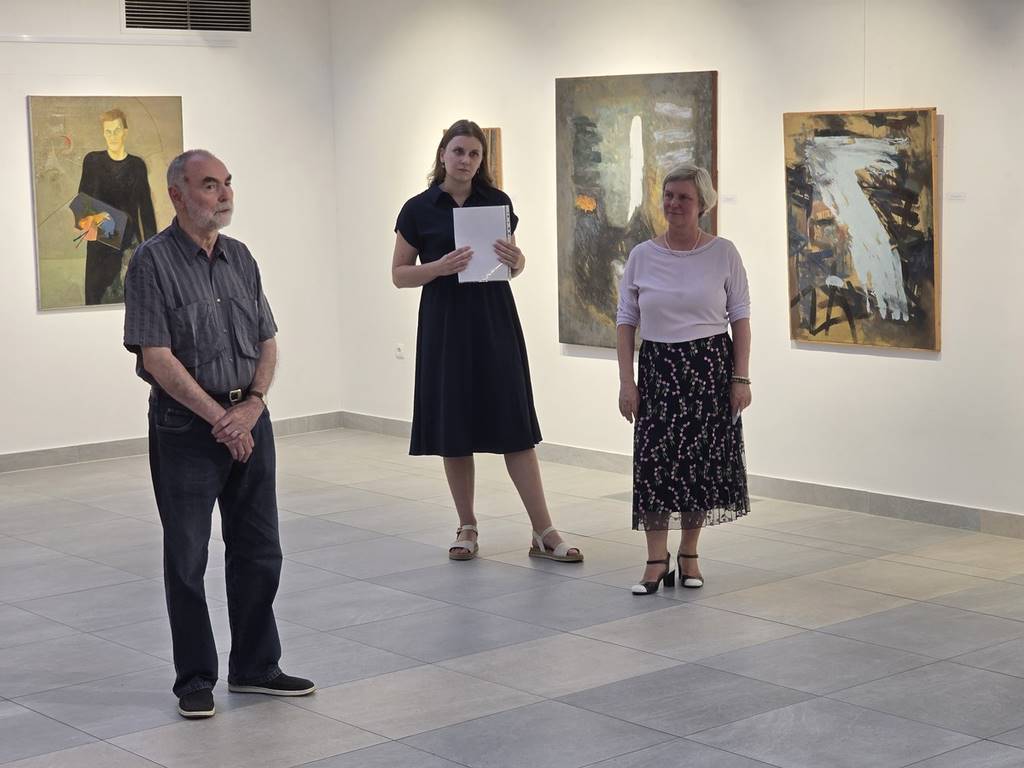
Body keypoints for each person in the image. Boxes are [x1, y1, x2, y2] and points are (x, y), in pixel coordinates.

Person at [123, 149, 314, 719]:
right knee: (187, 556)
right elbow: (156, 357)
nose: (224, 194)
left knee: (260, 549)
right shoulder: (151, 262)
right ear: (177, 195)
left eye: (227, 183)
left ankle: (255, 666)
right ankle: (195, 678)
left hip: (249, 419)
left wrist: (252, 405)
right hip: (186, 427)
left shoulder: (241, 257)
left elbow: (267, 339)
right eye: (210, 184)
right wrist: (219, 418)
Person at [392, 119, 582, 564]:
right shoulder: (418, 209)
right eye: (458, 151)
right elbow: (399, 274)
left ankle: (543, 530)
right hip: (445, 325)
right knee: (454, 427)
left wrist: (519, 260)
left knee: (515, 424)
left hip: (495, 320)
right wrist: (438, 267)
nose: (466, 160)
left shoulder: (498, 202)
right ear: (443, 154)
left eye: (474, 153)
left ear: (482, 160)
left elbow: (510, 265)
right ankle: (467, 525)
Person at [616, 163, 752, 595]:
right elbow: (625, 321)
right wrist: (626, 382)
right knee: (654, 464)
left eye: (684, 197)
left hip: (709, 368)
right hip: (658, 369)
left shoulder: (723, 252)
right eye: (669, 195)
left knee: (699, 466)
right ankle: (656, 559)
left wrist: (741, 378)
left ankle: (689, 553)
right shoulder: (642, 255)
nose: (674, 204)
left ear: (703, 204)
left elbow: (740, 318)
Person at [79, 108, 157, 304]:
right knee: (97, 303)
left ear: (125, 132)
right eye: (108, 131)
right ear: (103, 133)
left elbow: (146, 211)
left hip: (129, 248)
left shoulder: (137, 165)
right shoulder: (92, 161)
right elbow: (82, 205)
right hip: (100, 248)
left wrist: (154, 250)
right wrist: (101, 220)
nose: (113, 136)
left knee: (133, 302)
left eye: (117, 130)